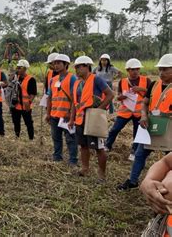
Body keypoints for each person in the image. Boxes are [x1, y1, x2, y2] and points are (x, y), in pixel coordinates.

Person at [118, 54, 172, 191]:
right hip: (152, 125)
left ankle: (166, 187)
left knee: (169, 160)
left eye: (165, 70)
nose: (161, 73)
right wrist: (143, 115)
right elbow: (145, 104)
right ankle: (132, 181)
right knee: (140, 154)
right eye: (160, 69)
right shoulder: (154, 85)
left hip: (169, 128)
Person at [69, 56, 114, 182]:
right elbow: (74, 102)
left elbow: (110, 94)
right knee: (83, 145)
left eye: (79, 67)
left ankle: (102, 174)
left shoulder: (96, 79)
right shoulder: (77, 82)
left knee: (99, 147)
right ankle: (85, 169)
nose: (77, 70)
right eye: (76, 67)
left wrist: (99, 109)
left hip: (93, 119)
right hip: (80, 120)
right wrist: (72, 119)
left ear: (87, 66)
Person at [105, 58, 151, 161]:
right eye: (133, 69)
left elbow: (151, 94)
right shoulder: (123, 81)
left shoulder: (146, 80)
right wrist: (121, 97)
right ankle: (107, 145)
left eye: (137, 69)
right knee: (115, 129)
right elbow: (119, 96)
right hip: (125, 111)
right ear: (128, 70)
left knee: (137, 133)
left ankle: (134, 152)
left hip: (139, 112)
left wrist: (141, 89)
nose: (135, 71)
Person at [45, 54, 78, 164]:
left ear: (66, 64)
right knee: (56, 138)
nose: (56, 65)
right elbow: (50, 97)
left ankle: (73, 160)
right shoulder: (53, 80)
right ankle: (57, 157)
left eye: (59, 63)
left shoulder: (72, 78)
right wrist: (48, 113)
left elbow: (74, 99)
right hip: (55, 114)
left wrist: (71, 114)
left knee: (70, 138)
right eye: (55, 63)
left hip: (66, 115)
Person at [11, 59, 37, 140]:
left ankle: (31, 139)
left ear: (25, 69)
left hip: (26, 106)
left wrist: (29, 102)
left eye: (19, 68)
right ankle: (17, 137)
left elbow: (33, 93)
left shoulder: (31, 79)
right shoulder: (15, 78)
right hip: (16, 105)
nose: (17, 69)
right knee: (16, 122)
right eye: (17, 68)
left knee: (28, 123)